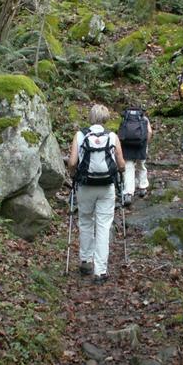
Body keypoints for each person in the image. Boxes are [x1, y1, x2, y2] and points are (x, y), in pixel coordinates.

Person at [68, 104, 126, 284]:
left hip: (85, 185)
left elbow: (72, 162)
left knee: (85, 220)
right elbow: (122, 164)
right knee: (103, 226)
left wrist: (73, 175)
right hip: (106, 186)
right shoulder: (112, 136)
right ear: (106, 118)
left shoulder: (80, 135)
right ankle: (100, 272)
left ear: (90, 117)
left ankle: (86, 262)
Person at [118, 106, 153, 206]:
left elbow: (120, 133)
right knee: (141, 166)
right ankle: (143, 187)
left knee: (128, 168)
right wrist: (146, 143)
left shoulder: (125, 119)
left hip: (127, 147)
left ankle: (128, 193)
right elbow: (149, 132)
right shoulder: (144, 119)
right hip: (141, 146)